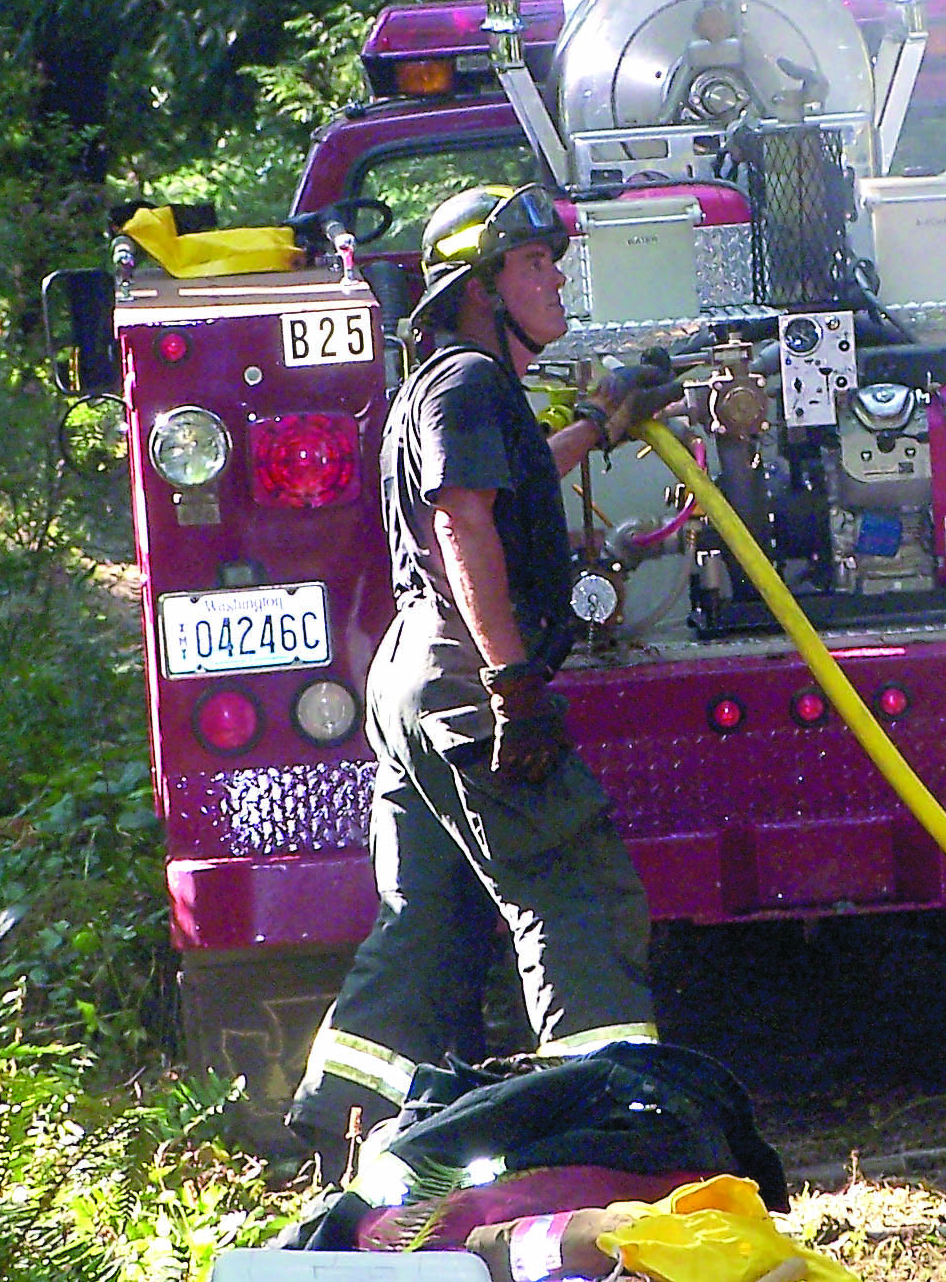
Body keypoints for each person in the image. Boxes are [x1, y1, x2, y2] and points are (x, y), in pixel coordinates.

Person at [288, 181, 684, 1162]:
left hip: (410, 677)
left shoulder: (450, 386)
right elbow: (461, 516)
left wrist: (597, 424)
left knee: (424, 920)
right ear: (479, 285)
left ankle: (337, 1118)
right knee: (571, 886)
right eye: (533, 262)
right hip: (465, 675)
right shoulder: (466, 382)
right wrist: (510, 680)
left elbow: (501, 485)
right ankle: (607, 1125)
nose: (555, 278)